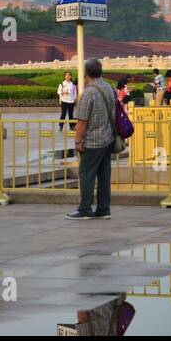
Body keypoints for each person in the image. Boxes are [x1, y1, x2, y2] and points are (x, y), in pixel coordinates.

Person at [66, 58, 116, 220]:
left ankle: (85, 209)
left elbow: (81, 121)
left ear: (86, 73)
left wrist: (78, 141)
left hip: (93, 141)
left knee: (86, 174)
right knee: (104, 176)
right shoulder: (109, 88)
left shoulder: (89, 92)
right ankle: (103, 209)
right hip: (108, 139)